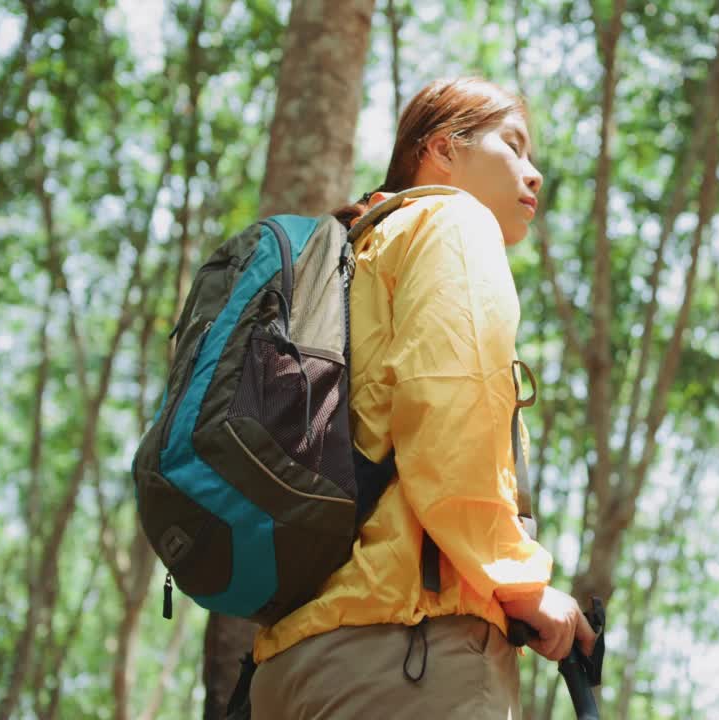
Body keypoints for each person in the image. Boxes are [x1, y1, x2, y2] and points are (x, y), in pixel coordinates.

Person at [249, 77, 597, 719]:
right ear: (443, 148)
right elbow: (451, 415)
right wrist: (519, 586)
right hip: (409, 656)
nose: (534, 172)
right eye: (513, 146)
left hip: (292, 664)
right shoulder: (452, 221)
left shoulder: (356, 252)